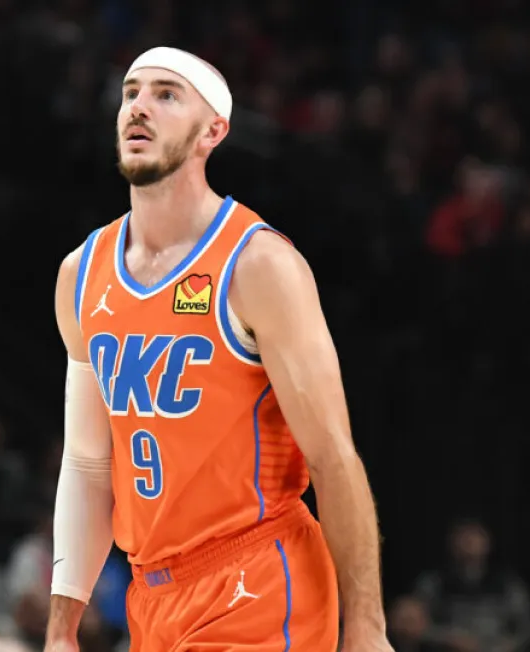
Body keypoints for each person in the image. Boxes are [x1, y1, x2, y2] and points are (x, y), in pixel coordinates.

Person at [47, 47, 391, 652]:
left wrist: (366, 625)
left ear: (214, 131)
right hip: (151, 597)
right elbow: (87, 465)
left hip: (257, 579)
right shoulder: (81, 273)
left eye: (166, 94)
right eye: (131, 93)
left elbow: (334, 458)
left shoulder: (259, 266)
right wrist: (61, 626)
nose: (139, 108)